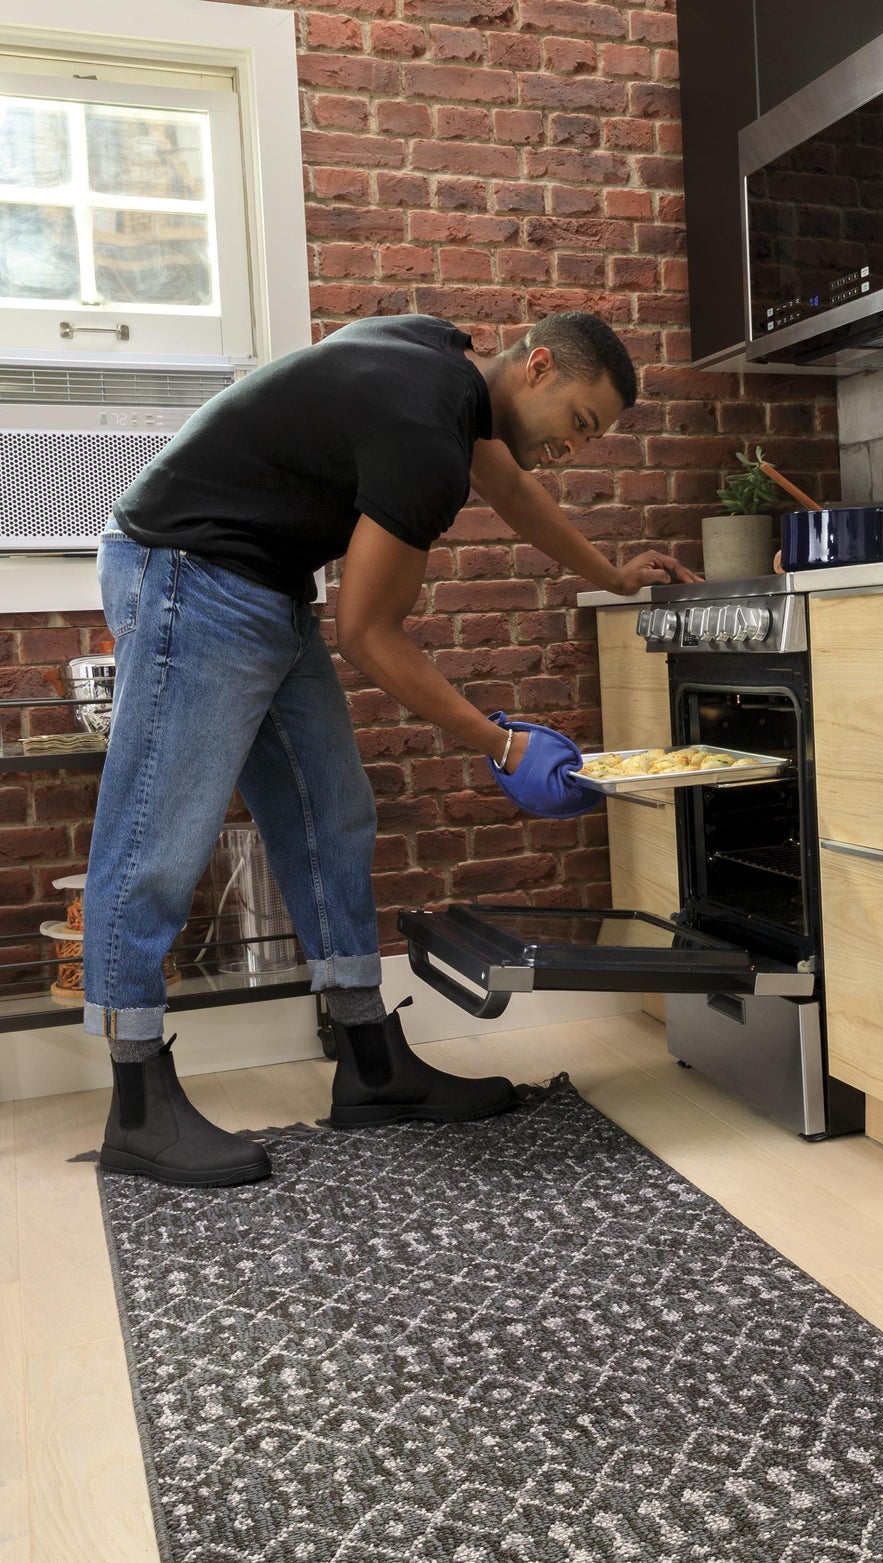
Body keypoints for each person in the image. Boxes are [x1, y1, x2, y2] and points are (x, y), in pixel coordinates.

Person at [84, 310, 695, 1188]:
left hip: (263, 581)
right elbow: (368, 632)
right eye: (579, 421)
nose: (576, 446)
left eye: (591, 436)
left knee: (333, 815)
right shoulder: (426, 431)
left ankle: (369, 1061)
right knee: (156, 836)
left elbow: (512, 489)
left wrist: (609, 574)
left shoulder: (446, 365)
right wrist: (502, 744)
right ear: (538, 367)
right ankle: (137, 1105)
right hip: (189, 571)